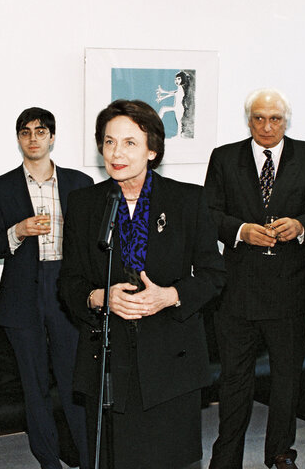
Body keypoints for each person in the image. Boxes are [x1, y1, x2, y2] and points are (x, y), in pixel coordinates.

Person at [59, 99, 225, 469]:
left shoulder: (187, 200)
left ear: (152, 149)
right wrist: (100, 297)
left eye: (130, 143)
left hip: (171, 357)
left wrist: (170, 296)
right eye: (109, 142)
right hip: (109, 357)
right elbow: (68, 283)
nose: (116, 152)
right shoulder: (84, 204)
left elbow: (215, 276)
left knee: (169, 459)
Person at [204, 88, 305, 469]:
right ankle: (226, 456)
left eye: (274, 119)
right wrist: (241, 229)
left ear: (286, 121)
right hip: (237, 290)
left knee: (286, 380)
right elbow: (208, 213)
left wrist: (300, 225)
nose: (266, 126)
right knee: (234, 380)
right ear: (248, 120)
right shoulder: (225, 158)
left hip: (289, 289)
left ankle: (280, 452)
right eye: (258, 118)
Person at [0, 107, 92, 469]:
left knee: (74, 382)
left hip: (67, 288)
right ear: (18, 139)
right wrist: (18, 231)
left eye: (40, 131)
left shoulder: (80, 183)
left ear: (52, 137)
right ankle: (48, 461)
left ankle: (89, 459)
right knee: (34, 387)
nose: (33, 138)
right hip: (23, 293)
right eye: (25, 132)